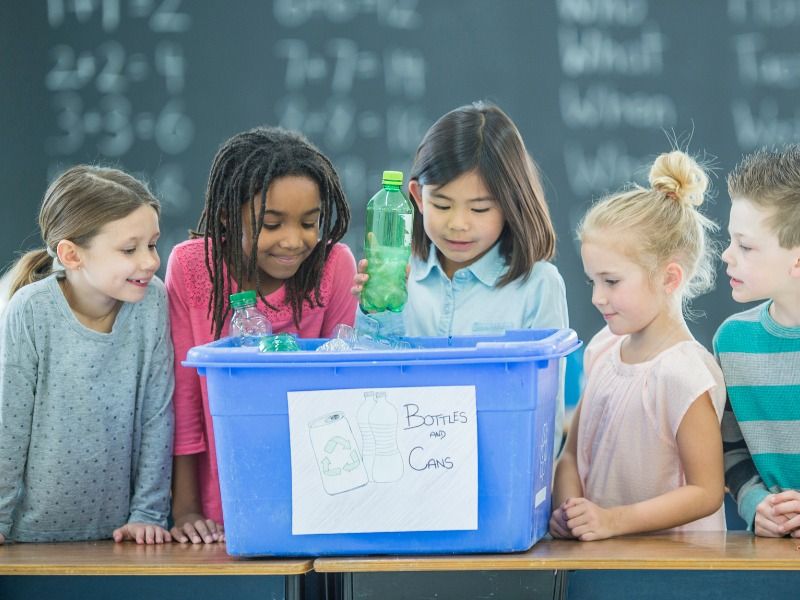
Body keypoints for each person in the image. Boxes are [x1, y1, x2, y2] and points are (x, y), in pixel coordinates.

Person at [166, 126, 356, 544]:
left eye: (310, 223)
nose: (294, 241)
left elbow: (341, 386)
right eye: (271, 224)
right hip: (217, 514)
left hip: (320, 496)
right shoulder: (192, 267)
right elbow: (183, 396)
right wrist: (185, 509)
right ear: (225, 216)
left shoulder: (334, 265)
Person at [351, 101, 569, 446]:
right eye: (441, 204)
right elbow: (367, 386)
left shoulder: (538, 285)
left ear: (510, 203)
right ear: (417, 198)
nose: (458, 224)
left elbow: (545, 421)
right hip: (409, 469)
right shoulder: (397, 275)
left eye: (480, 208)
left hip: (500, 473)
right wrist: (374, 310)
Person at [550, 150, 727, 541]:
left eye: (611, 282)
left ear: (669, 278)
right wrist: (569, 511)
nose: (597, 297)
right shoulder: (602, 350)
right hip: (599, 565)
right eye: (592, 281)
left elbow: (706, 492)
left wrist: (612, 521)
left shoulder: (685, 374)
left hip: (671, 575)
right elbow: (570, 457)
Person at [0, 165, 174, 545]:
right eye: (130, 249)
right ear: (72, 254)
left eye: (153, 244)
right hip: (27, 538)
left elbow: (157, 412)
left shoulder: (152, 301)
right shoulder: (30, 310)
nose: (150, 261)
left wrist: (149, 512)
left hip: (121, 539)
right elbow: (9, 424)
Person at [714, 145, 800, 538]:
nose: (726, 256)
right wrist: (755, 505)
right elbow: (732, 449)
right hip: (771, 558)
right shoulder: (733, 342)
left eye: (745, 246)